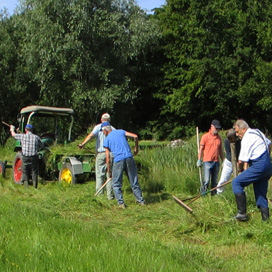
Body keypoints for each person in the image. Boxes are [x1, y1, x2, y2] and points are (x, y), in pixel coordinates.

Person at [232, 119, 272, 221]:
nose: (236, 134)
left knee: (236, 182)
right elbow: (269, 143)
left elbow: (241, 160)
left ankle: (242, 213)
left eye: (237, 131)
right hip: (268, 165)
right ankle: (265, 220)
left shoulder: (247, 138)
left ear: (244, 129)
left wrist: (240, 171)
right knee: (260, 194)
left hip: (259, 165)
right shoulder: (257, 131)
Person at [102, 123, 145, 209]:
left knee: (116, 183)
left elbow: (108, 158)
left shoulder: (107, 140)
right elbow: (135, 136)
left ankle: (121, 204)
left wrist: (109, 171)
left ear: (105, 131)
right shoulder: (121, 132)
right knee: (133, 180)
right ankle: (141, 201)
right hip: (129, 158)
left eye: (103, 132)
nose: (103, 133)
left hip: (118, 160)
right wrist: (136, 149)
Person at [78, 113, 114, 200]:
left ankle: (100, 196)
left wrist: (83, 144)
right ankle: (110, 196)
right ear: (109, 120)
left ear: (101, 120)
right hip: (111, 154)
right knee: (109, 175)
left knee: (99, 175)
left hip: (101, 154)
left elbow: (91, 136)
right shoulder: (113, 129)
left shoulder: (98, 127)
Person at [10, 124, 43, 188]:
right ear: (32, 130)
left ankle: (26, 186)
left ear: (25, 129)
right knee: (34, 171)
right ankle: (35, 186)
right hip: (34, 157)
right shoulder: (36, 137)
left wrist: (12, 129)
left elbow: (13, 135)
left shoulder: (22, 136)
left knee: (25, 171)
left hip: (25, 157)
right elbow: (41, 145)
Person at [197, 119, 224, 195]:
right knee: (206, 180)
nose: (217, 130)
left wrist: (223, 160)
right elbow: (201, 149)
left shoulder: (219, 138)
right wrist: (199, 160)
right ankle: (203, 195)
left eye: (218, 128)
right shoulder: (205, 137)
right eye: (216, 128)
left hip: (216, 161)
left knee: (215, 181)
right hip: (207, 161)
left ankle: (213, 195)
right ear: (212, 127)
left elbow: (220, 150)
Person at [217, 129, 241, 194]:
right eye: (228, 138)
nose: (229, 140)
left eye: (231, 139)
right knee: (223, 180)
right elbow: (230, 155)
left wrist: (240, 164)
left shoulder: (240, 142)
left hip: (239, 163)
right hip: (229, 163)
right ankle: (219, 193)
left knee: (240, 180)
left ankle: (239, 194)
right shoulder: (227, 141)